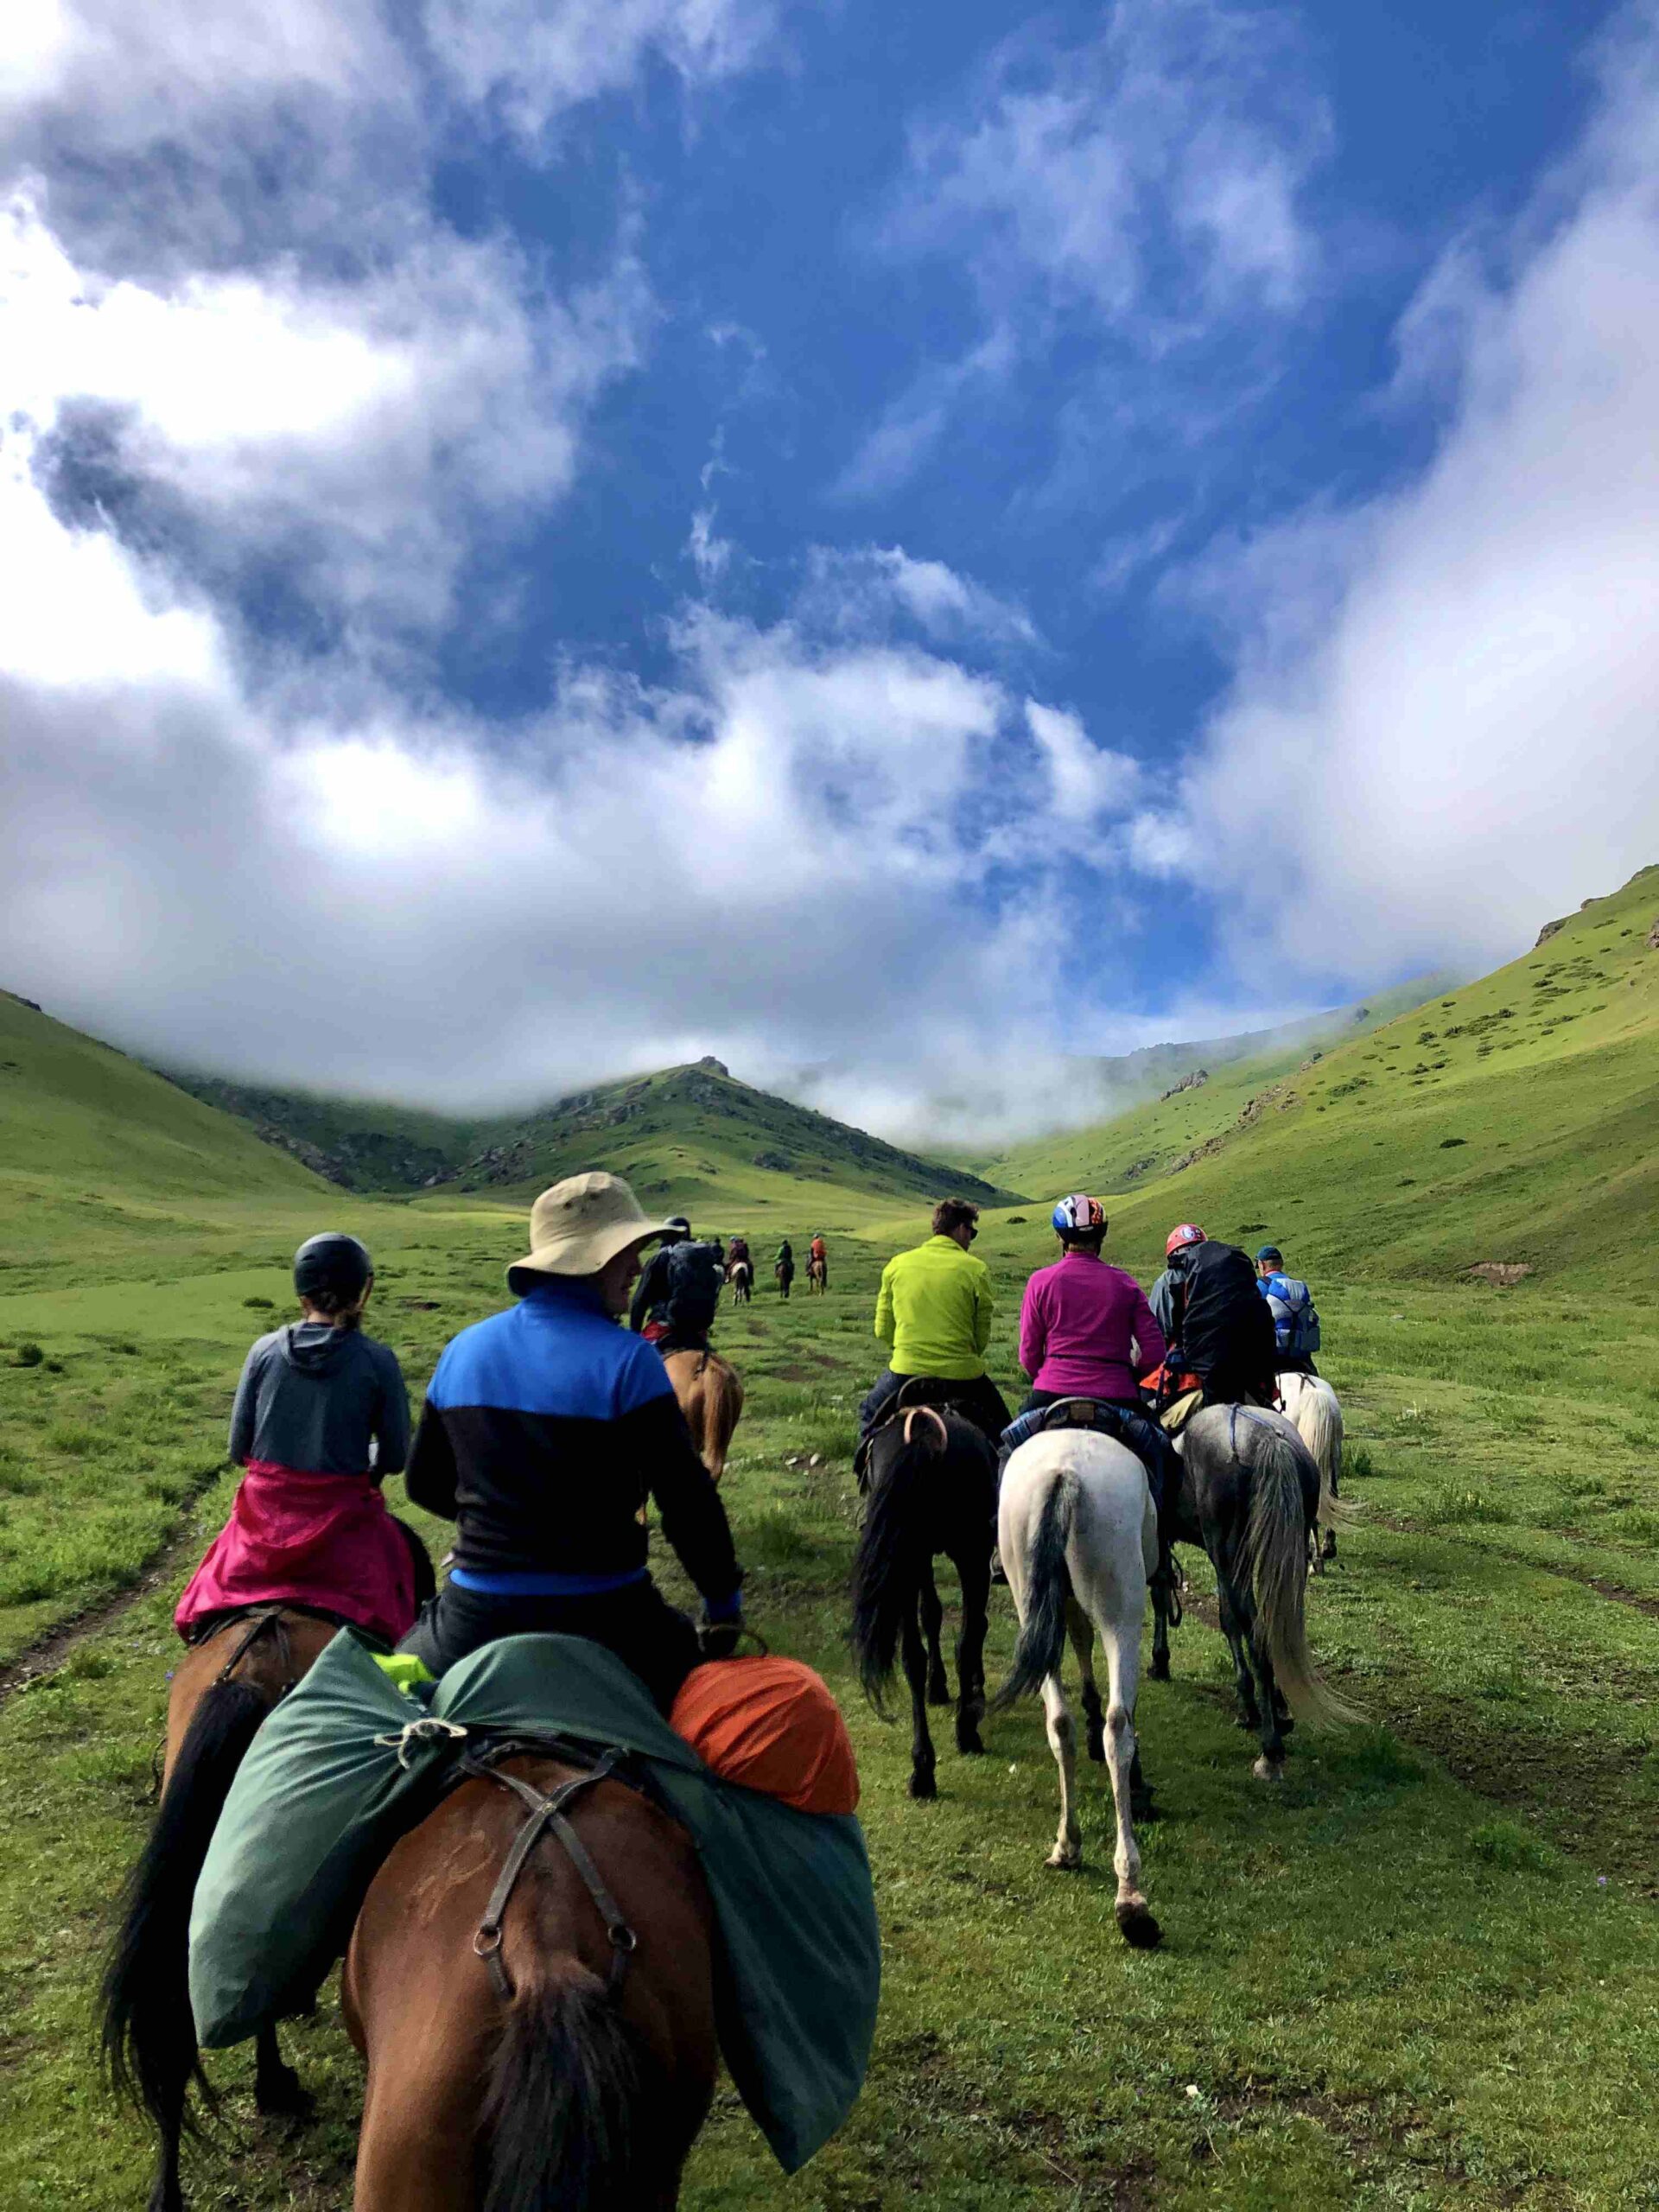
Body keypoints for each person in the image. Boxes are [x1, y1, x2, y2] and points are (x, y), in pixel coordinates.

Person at [400, 1173, 744, 1710]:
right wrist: (723, 1603)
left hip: (475, 1615)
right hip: (611, 1615)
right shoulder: (630, 1362)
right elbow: (686, 1503)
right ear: (588, 1259)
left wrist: (503, 1532)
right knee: (723, 1737)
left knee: (379, 1709)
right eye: (625, 1251)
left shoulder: (462, 1351)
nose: (636, 1266)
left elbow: (423, 1485)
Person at [175, 1233, 420, 1647]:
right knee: (404, 1582)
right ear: (362, 1291)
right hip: (344, 1524)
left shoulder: (263, 1350)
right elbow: (395, 1457)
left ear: (301, 1292)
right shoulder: (377, 1360)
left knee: (208, 1599)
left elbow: (239, 1450)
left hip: (263, 1523)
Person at [994, 1196, 1179, 1586]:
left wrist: (1046, 1373)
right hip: (1117, 1397)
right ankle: (1161, 1552)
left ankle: (1000, 1547)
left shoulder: (1040, 1282)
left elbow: (1028, 1353)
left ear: (1061, 1238)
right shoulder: (1125, 1284)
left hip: (1050, 1394)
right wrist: (1130, 1373)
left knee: (1007, 1452)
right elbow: (1155, 1353)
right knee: (1162, 1454)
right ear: (1101, 1238)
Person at [859, 1198, 1010, 1446]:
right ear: (961, 1229)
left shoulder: (897, 1265)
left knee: (869, 1413)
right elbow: (980, 1338)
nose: (971, 1238)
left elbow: (883, 1330)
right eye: (972, 1231)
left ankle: (865, 1476)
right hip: (963, 1377)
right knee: (1006, 1435)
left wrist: (908, 1351)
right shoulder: (976, 1269)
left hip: (906, 1372)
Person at [1158, 1222, 1277, 1408]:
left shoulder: (1168, 1281)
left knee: (1146, 1417)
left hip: (1190, 1376)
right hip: (1246, 1372)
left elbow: (1159, 1330)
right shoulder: (1232, 1274)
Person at [629, 1214, 724, 1352]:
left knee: (638, 1363)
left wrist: (634, 1334)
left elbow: (639, 1301)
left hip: (663, 1325)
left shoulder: (659, 1258)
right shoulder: (701, 1257)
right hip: (698, 1330)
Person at [1255, 1245, 1322, 1375]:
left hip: (1272, 1352)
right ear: (1281, 1264)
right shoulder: (1299, 1286)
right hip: (1301, 1354)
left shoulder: (1260, 1285)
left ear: (1262, 1265)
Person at [774, 1236, 795, 1300]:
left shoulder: (781, 1248)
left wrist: (775, 1258)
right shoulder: (789, 1248)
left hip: (782, 1260)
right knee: (792, 1266)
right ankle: (791, 1275)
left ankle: (776, 1274)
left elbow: (778, 1255)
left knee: (776, 1265)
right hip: (788, 1261)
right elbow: (791, 1255)